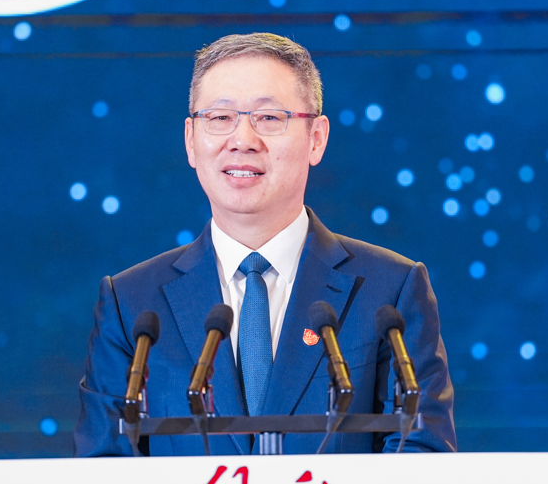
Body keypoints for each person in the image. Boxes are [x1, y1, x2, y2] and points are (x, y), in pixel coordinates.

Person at [74, 33, 455, 456]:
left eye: (269, 118)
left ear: (316, 138)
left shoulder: (390, 291)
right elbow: (103, 472)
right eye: (220, 117)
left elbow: (420, 459)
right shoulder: (131, 304)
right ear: (190, 140)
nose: (242, 139)